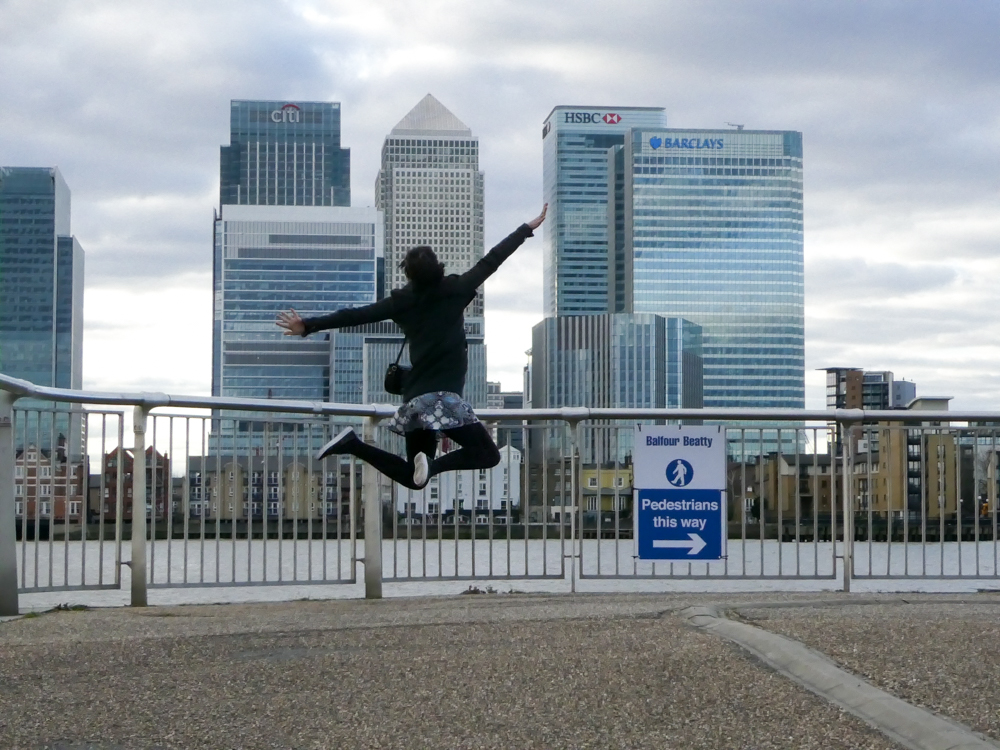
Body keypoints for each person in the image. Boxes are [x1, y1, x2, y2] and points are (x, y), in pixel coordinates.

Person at [276, 204, 547, 489]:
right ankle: (433, 465)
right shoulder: (455, 290)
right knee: (488, 455)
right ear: (439, 267)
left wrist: (307, 325)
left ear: (408, 273)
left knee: (414, 478)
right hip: (443, 399)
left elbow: (355, 316)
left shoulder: (401, 303)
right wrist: (526, 229)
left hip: (415, 403)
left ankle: (353, 445)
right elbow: (492, 260)